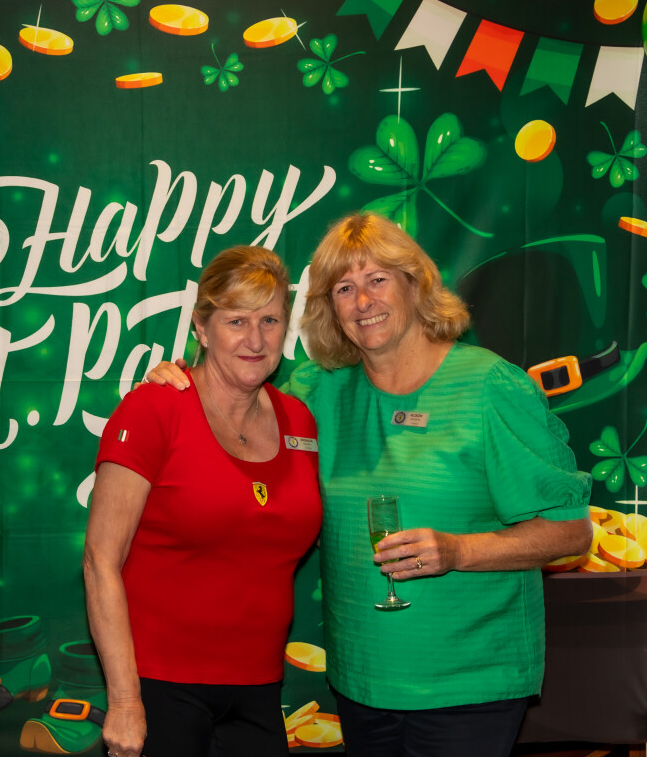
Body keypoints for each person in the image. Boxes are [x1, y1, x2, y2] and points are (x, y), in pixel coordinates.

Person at [146, 213, 592, 757]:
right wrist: (181, 384)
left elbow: (571, 532)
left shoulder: (489, 386)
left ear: (415, 283)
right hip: (361, 682)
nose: (363, 302)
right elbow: (233, 402)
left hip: (468, 684)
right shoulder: (318, 393)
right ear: (329, 309)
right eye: (343, 288)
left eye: (377, 279)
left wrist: (458, 551)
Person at [83, 246, 323, 757]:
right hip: (159, 688)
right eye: (236, 321)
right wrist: (124, 700)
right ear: (201, 327)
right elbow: (100, 560)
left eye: (270, 320)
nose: (255, 339)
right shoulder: (154, 408)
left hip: (260, 688)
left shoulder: (300, 422)